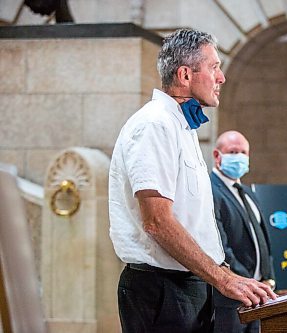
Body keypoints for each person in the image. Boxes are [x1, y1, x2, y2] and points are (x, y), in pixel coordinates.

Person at [108, 29, 276, 333]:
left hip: (190, 285)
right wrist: (224, 278)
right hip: (162, 289)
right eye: (214, 67)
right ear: (185, 75)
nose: (221, 77)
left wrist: (225, 275)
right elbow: (157, 222)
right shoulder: (154, 125)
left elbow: (193, 221)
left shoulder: (180, 126)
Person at [210, 131, 276, 333]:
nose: (239, 156)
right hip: (231, 297)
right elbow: (220, 246)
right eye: (233, 151)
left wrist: (268, 277)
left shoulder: (247, 191)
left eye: (243, 152)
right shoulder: (210, 190)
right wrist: (247, 282)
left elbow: (262, 239)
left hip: (257, 295)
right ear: (217, 155)